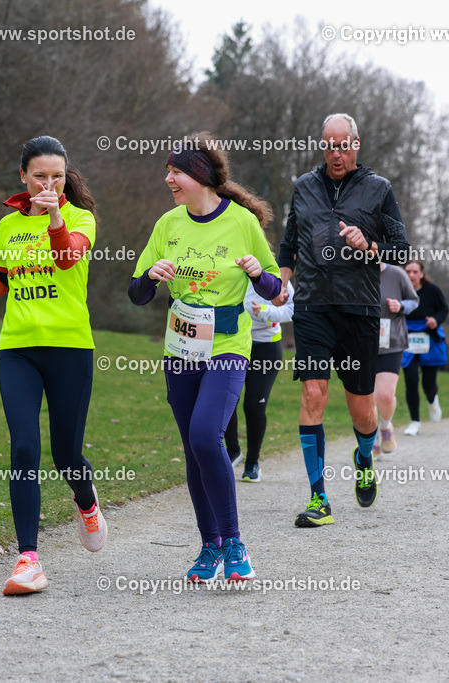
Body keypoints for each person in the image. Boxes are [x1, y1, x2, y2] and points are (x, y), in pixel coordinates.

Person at [129, 132, 280, 583]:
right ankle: (209, 546)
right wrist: (151, 278)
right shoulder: (168, 224)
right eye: (168, 171)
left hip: (229, 346)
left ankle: (235, 543)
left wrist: (259, 274)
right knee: (194, 451)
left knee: (203, 435)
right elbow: (136, 293)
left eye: (176, 171)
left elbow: (275, 286)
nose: (168, 178)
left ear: (199, 175)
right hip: (180, 349)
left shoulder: (241, 223)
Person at [0, 135, 106, 596]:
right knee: (24, 447)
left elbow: (66, 258)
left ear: (66, 178)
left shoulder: (81, 218)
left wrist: (57, 218)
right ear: (23, 176)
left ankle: (86, 504)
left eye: (57, 176)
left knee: (66, 454)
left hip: (69, 348)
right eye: (39, 176)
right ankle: (28, 559)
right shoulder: (8, 227)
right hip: (18, 349)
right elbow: (1, 286)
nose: (48, 183)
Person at [276, 113, 412, 527]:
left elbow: (401, 250)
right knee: (313, 394)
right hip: (314, 306)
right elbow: (289, 242)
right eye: (329, 146)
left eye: (343, 145)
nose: (336, 154)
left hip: (360, 310)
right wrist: (283, 279)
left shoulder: (378, 189)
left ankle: (364, 455)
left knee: (362, 409)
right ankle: (319, 499)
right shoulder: (304, 187)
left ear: (356, 144)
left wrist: (369, 244)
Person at [224, 280, 295, 482]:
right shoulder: (231, 270)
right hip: (234, 344)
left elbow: (292, 309)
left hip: (265, 347)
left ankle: (253, 462)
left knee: (254, 404)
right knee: (226, 398)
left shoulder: (276, 275)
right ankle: (233, 451)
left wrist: (266, 312)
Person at [373, 263, 418, 454]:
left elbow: (413, 301)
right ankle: (371, 437)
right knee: (367, 397)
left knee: (384, 394)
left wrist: (400, 306)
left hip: (392, 341)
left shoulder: (396, 274)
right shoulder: (354, 272)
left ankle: (385, 426)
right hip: (362, 342)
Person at [401, 260, 449, 436]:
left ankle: (432, 400)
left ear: (421, 273)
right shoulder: (400, 289)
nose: (411, 275)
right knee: (411, 380)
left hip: (429, 337)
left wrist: (436, 320)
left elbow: (444, 309)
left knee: (428, 383)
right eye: (407, 271)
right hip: (407, 338)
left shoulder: (432, 290)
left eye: (414, 272)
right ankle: (415, 422)